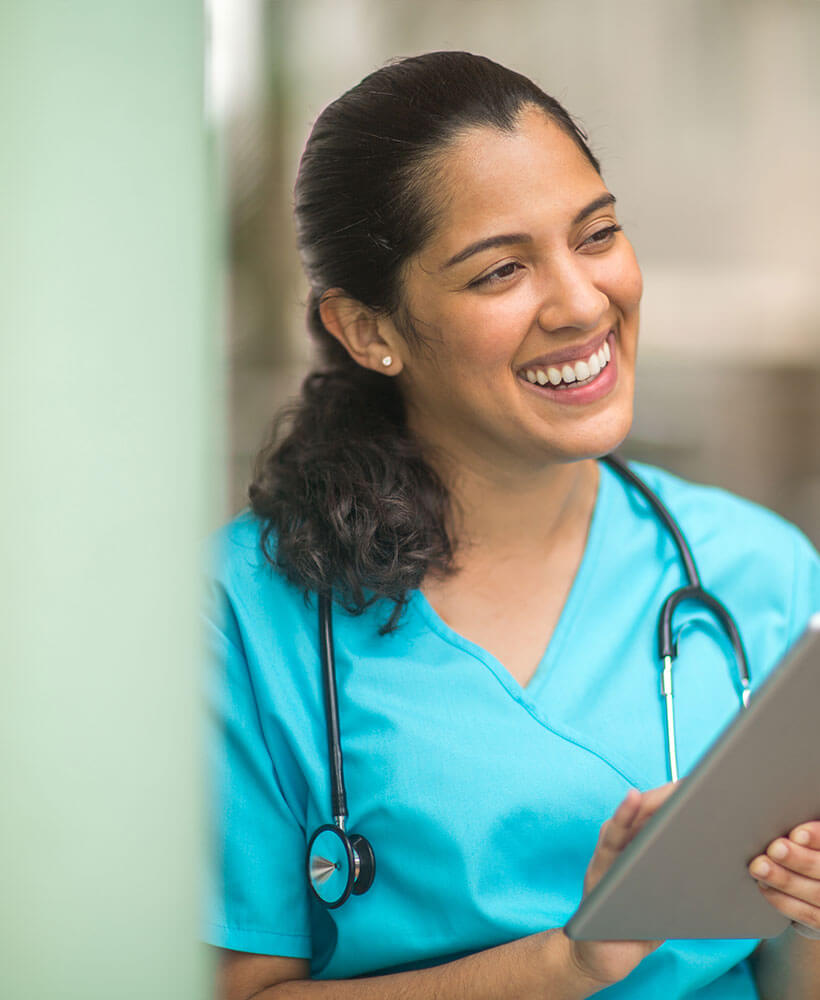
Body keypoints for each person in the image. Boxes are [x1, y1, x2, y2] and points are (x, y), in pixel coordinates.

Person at [203, 51, 820, 999]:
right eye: (501, 272)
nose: (581, 303)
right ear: (370, 330)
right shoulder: (248, 613)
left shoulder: (761, 574)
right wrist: (566, 963)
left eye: (598, 233)